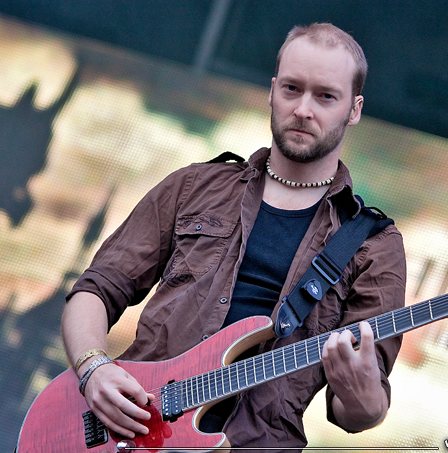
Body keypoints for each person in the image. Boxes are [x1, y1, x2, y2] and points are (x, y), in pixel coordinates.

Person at [62, 22, 406, 450]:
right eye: (292, 89)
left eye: (325, 96)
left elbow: (356, 413)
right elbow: (96, 289)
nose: (303, 109)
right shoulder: (193, 186)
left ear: (353, 110)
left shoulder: (374, 243)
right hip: (132, 433)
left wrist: (363, 395)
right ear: (272, 90)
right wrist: (94, 368)